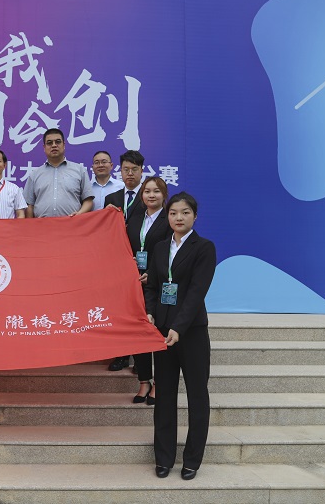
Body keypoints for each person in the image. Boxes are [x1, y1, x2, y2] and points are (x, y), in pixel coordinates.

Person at [144, 192, 216, 481]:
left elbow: (197, 292)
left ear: (195, 216)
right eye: (173, 213)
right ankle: (164, 458)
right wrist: (150, 313)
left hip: (191, 332)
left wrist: (179, 327)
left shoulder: (204, 248)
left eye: (185, 212)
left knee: (197, 395)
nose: (179, 218)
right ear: (167, 216)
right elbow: (152, 286)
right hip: (162, 332)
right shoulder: (160, 247)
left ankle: (192, 460)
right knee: (164, 396)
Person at [125, 177, 173, 405]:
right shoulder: (135, 218)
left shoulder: (169, 219)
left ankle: (159, 384)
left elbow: (172, 252)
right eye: (147, 191)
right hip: (134, 283)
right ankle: (144, 381)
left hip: (158, 284)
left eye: (156, 191)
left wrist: (153, 273)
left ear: (164, 195)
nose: (151, 195)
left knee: (158, 331)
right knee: (138, 332)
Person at [104, 149, 147, 371]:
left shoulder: (149, 196)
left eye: (134, 169)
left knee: (140, 310)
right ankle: (121, 355)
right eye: (125, 169)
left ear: (142, 171)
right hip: (118, 262)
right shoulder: (112, 198)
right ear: (120, 172)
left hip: (142, 262)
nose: (130, 173)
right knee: (119, 309)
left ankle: (141, 360)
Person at [23, 128, 94, 218]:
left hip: (72, 223)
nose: (54, 145)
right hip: (42, 225)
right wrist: (31, 224)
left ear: (64, 145)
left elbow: (88, 200)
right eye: (49, 143)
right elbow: (29, 205)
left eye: (58, 142)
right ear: (44, 147)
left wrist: (79, 214)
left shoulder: (79, 170)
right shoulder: (35, 174)